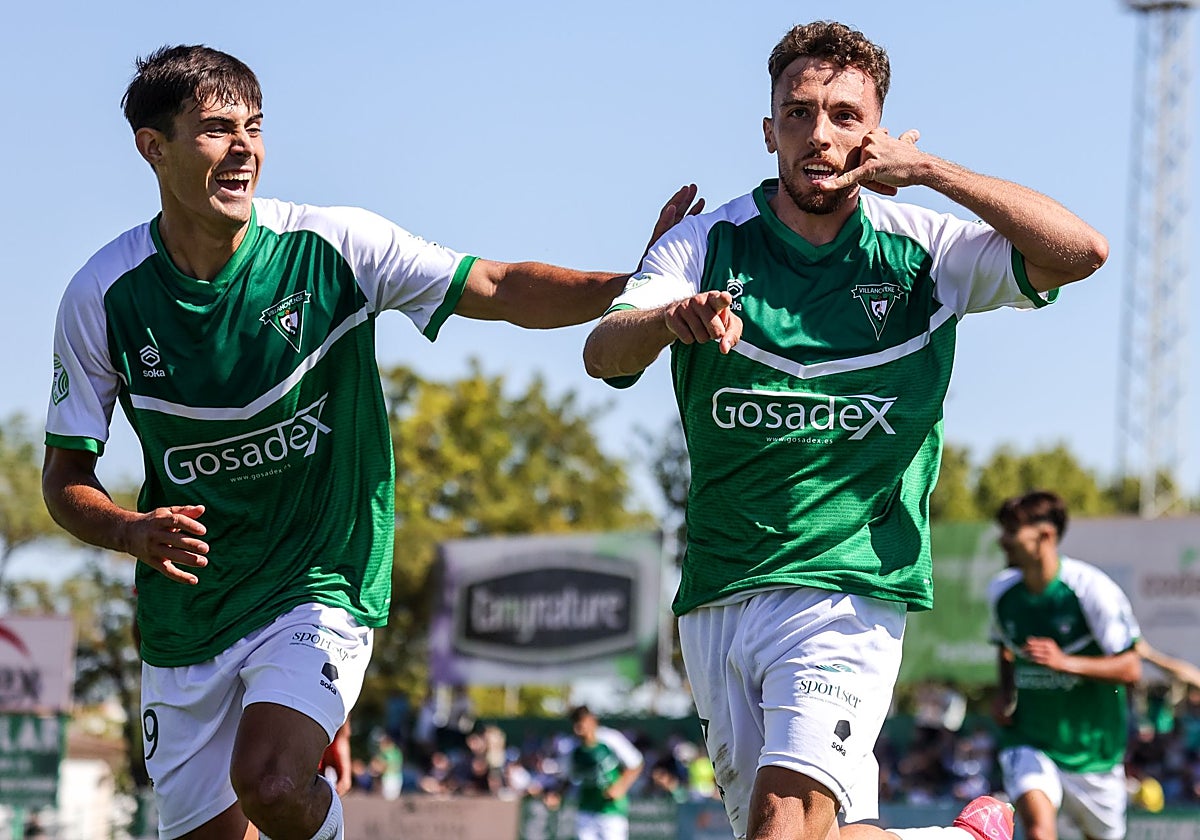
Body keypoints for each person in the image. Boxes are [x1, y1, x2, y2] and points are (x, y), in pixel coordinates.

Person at [41, 45, 699, 840]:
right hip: (190, 614)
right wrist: (128, 530)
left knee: (274, 783)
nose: (245, 147)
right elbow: (64, 476)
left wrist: (635, 286)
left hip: (321, 579)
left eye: (255, 127)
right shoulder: (102, 296)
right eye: (217, 130)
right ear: (154, 147)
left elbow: (496, 284)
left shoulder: (333, 247)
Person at [582, 19, 1107, 840]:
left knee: (783, 823)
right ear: (768, 131)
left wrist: (932, 171)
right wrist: (668, 319)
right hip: (720, 589)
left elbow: (1081, 251)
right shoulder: (705, 242)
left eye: (844, 116)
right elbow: (603, 355)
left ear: (876, 134)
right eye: (798, 113)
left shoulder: (926, 252)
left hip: (848, 587)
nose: (819, 136)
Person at [989, 490, 1142, 840]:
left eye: (1012, 531)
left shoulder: (1091, 590)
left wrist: (1065, 662)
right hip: (1030, 740)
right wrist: (1005, 693)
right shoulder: (1001, 592)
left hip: (1093, 757)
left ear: (1046, 536)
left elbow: (1131, 668)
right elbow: (1004, 648)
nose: (1003, 540)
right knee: (1040, 829)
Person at [565, 706, 644, 840]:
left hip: (611, 810)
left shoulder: (610, 739)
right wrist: (555, 793)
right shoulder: (573, 748)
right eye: (575, 723)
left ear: (592, 721)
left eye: (581, 722)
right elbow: (569, 777)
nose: (578, 728)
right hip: (586, 809)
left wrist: (621, 786)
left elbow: (636, 763)